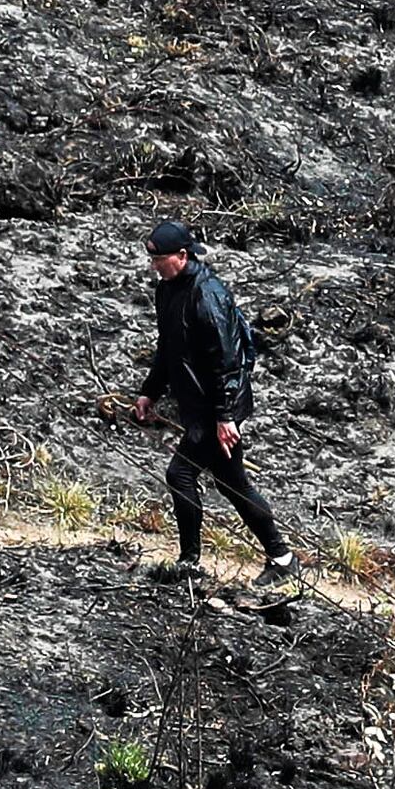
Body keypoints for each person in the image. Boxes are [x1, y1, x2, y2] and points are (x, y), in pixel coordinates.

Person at [129, 216, 298, 580]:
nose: (155, 267)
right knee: (231, 481)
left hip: (217, 408)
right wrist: (149, 392)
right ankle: (281, 559)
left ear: (183, 256)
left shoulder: (209, 297)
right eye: (153, 260)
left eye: (160, 260)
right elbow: (168, 349)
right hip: (198, 407)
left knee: (181, 475)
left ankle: (191, 562)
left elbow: (228, 363)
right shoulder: (167, 290)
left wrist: (225, 418)